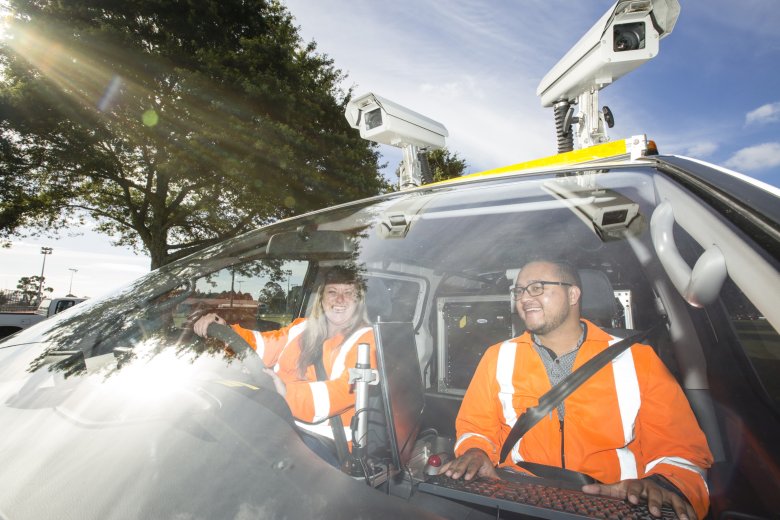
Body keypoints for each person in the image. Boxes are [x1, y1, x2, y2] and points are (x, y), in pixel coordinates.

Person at [441, 259, 713, 520]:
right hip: (519, 496)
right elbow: (475, 427)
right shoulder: (497, 356)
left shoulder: (637, 360)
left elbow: (680, 451)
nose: (524, 298)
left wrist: (660, 483)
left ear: (573, 295)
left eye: (537, 287)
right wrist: (475, 451)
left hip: (612, 502)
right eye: (519, 290)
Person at [193, 266, 376, 465]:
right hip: (280, 420)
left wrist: (286, 393)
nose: (340, 299)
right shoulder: (303, 327)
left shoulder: (367, 339)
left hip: (325, 441)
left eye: (348, 293)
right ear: (322, 300)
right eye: (332, 292)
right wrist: (226, 328)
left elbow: (346, 390)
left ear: (358, 301)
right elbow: (264, 346)